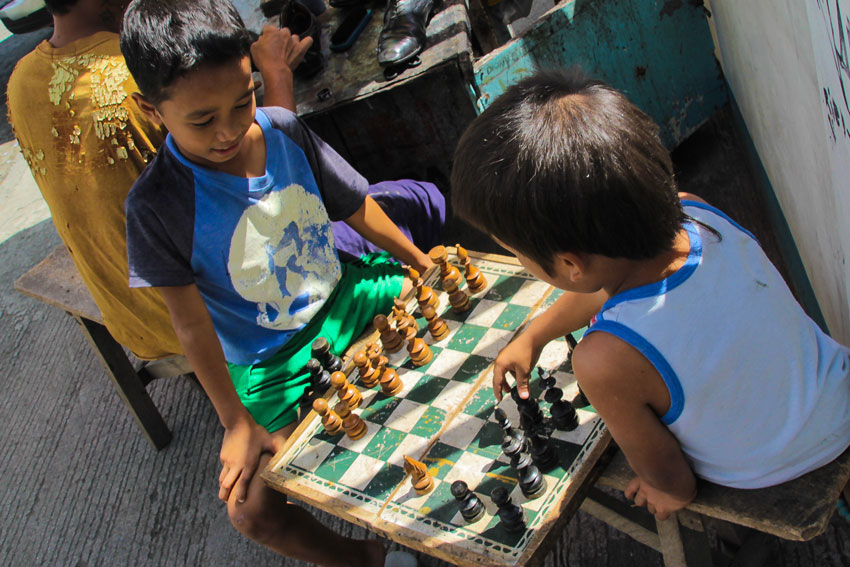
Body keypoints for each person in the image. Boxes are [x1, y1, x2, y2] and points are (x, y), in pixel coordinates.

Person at [119, 0, 442, 564]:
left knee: (456, 308)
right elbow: (192, 328)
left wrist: (418, 260)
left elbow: (355, 207)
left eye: (243, 100)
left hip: (349, 300)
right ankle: (367, 559)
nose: (228, 129)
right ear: (151, 111)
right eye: (201, 120)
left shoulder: (284, 127)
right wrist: (235, 423)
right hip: (272, 371)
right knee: (251, 511)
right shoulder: (154, 206)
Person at [450, 68, 850, 521]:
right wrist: (535, 334)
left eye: (516, 253)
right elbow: (613, 291)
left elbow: (673, 482)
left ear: (568, 265)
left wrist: (666, 492)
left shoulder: (603, 359)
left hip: (771, 466)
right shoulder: (695, 213)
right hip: (838, 393)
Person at [6, 0, 311, 360]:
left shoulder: (21, 80)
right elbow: (270, 188)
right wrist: (277, 75)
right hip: (223, 325)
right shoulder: (140, 80)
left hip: (133, 320)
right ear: (148, 108)